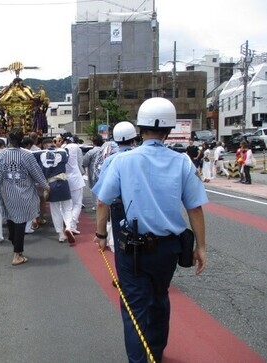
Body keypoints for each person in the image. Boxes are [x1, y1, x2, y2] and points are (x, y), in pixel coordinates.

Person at [94, 97, 207, 363]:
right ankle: (155, 350)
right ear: (168, 131)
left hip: (132, 247)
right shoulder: (182, 162)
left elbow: (102, 202)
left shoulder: (122, 161)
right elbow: (195, 209)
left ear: (140, 127)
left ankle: (140, 360)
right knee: (159, 296)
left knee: (134, 306)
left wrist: (100, 236)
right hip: (169, 248)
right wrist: (201, 246)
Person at [0, 128, 49, 266]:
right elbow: (36, 172)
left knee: (11, 217)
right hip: (23, 191)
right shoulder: (27, 155)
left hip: (6, 192)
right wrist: (45, 185)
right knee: (20, 220)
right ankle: (17, 253)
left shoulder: (2, 154)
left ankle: (15, 244)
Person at [92, 121, 138, 252]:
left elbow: (102, 199)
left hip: (118, 205)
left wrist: (101, 234)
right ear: (134, 138)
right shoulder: (142, 156)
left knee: (122, 246)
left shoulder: (111, 160)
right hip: (140, 204)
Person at [33, 138, 76, 244]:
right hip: (63, 181)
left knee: (55, 210)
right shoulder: (63, 152)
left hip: (50, 183)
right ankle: (69, 227)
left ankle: (60, 234)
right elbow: (66, 154)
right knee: (68, 207)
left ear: (43, 146)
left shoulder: (39, 154)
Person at [61, 132, 85, 234]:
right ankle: (71, 225)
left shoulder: (61, 149)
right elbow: (80, 162)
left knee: (65, 205)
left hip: (64, 179)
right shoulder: (75, 147)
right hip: (76, 178)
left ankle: (68, 225)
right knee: (77, 204)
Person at [82, 134, 105, 210]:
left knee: (95, 189)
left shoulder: (91, 152)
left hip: (94, 173)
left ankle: (97, 205)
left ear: (93, 142)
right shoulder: (105, 150)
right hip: (104, 172)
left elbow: (84, 162)